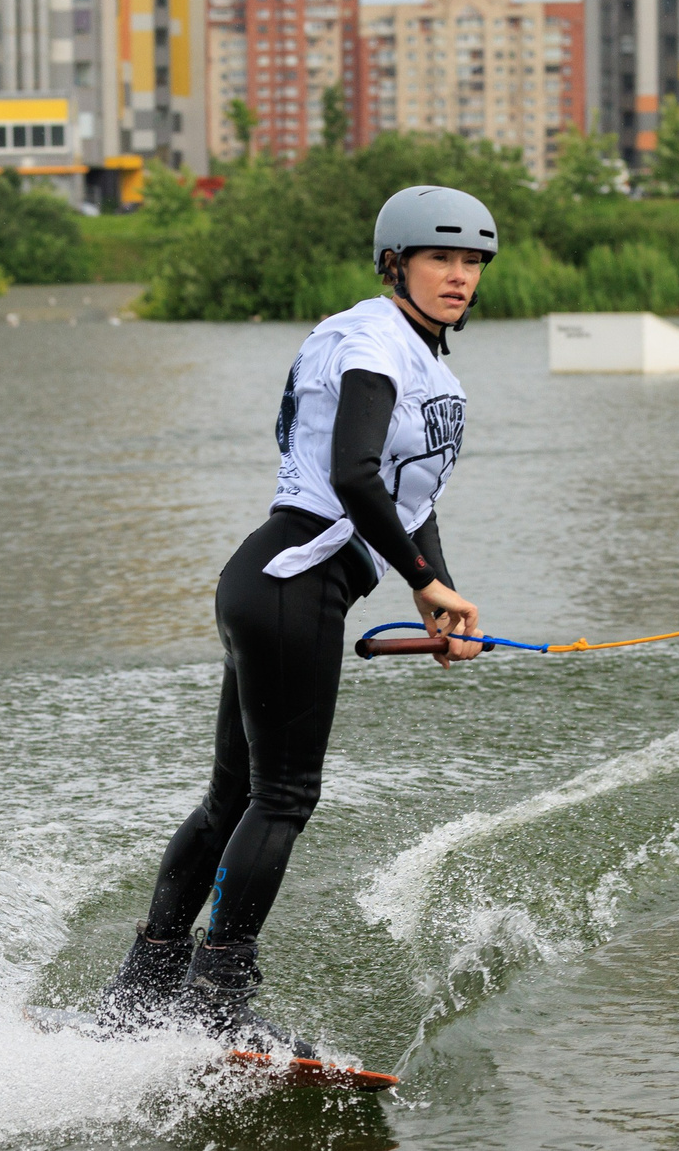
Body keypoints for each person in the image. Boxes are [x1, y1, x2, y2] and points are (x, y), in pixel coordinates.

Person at [98, 185, 497, 1050]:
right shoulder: (371, 341)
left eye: (472, 263)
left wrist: (442, 595)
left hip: (273, 584)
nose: (460, 277)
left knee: (232, 798)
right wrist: (422, 583)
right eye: (441, 259)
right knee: (281, 797)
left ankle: (145, 991)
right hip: (294, 583)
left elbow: (408, 496)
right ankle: (214, 996)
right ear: (396, 263)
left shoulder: (430, 365)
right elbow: (354, 475)